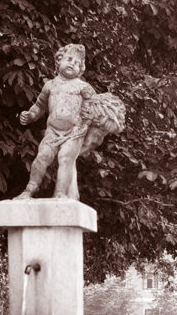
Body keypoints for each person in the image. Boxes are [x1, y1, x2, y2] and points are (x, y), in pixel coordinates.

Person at [15, 43, 125, 200]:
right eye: (69, 59)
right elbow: (39, 106)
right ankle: (29, 190)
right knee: (42, 157)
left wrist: (84, 127)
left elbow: (90, 111)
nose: (72, 63)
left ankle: (60, 193)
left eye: (77, 63)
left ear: (80, 69)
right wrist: (30, 115)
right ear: (59, 61)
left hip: (74, 132)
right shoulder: (50, 85)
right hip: (52, 131)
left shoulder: (83, 87)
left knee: (66, 158)